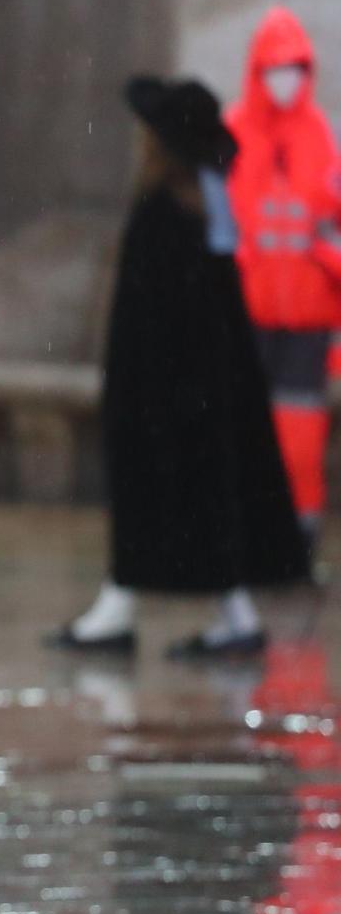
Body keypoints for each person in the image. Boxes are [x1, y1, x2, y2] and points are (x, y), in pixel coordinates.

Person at [54, 77, 310, 658]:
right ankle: (171, 608)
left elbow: (150, 322)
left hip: (165, 398)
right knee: (202, 504)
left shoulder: (165, 215)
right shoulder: (206, 209)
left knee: (170, 501)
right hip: (204, 397)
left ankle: (130, 609)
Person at [225, 5, 341, 536]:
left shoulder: (321, 136)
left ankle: (298, 532)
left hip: (307, 317)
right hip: (245, 311)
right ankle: (246, 530)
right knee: (245, 428)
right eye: (275, 68)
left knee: (300, 433)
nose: (285, 80)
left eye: (295, 68)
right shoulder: (231, 134)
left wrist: (328, 261)